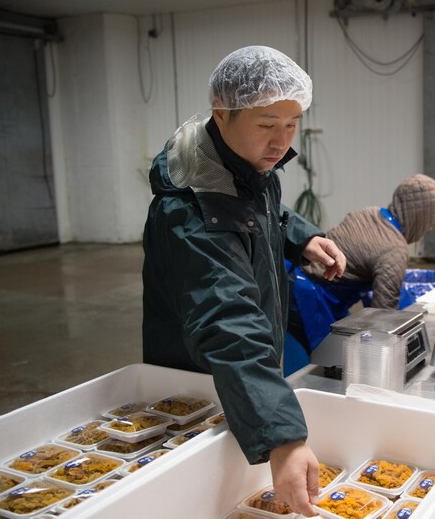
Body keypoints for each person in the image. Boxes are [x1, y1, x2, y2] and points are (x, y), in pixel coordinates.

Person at [141, 46, 346, 516]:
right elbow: (226, 316)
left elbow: (258, 212)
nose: (281, 141)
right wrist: (284, 439)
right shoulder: (189, 209)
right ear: (222, 112)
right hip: (204, 379)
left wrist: (301, 237)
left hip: (245, 380)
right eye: (266, 124)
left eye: (291, 124)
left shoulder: (247, 166)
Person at [285, 174, 435, 370]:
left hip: (290, 277)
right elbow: (383, 317)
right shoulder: (395, 250)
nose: (430, 227)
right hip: (309, 299)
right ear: (423, 217)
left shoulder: (369, 213)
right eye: (432, 221)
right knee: (317, 366)